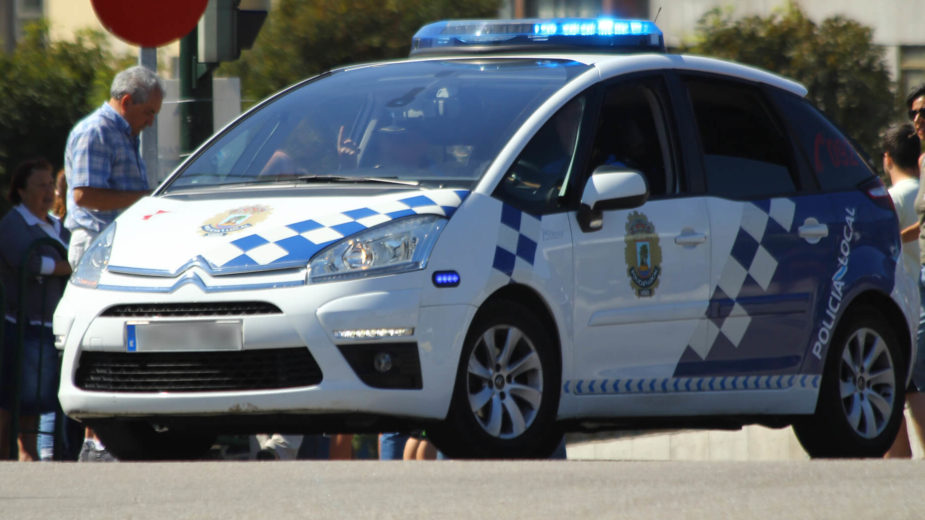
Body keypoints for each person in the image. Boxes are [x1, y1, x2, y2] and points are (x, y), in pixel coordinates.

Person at [64, 65, 164, 462]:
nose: (150, 122)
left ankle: (109, 436)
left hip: (115, 248)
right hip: (96, 249)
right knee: (102, 340)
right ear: (126, 102)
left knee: (120, 341)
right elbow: (84, 195)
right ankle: (96, 440)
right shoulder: (97, 131)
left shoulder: (121, 132)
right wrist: (143, 199)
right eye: (148, 114)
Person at [0, 158, 72, 461]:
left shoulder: (57, 226)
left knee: (38, 397)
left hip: (53, 325)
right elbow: (26, 263)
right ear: (21, 190)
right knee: (14, 398)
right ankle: (19, 454)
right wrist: (65, 266)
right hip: (22, 324)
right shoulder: (14, 224)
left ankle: (30, 453)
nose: (48, 193)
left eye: (50, 186)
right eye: (40, 186)